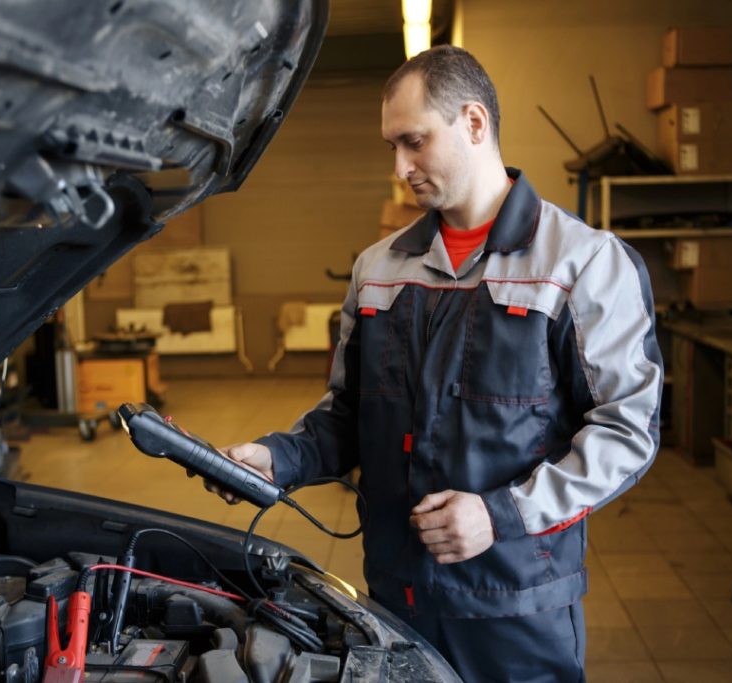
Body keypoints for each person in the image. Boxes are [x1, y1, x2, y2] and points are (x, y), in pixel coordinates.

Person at [210, 45, 663, 682]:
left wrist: (503, 515)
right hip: (397, 598)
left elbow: (628, 430)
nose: (400, 167)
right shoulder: (378, 270)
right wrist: (276, 459)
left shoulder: (583, 264)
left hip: (515, 609)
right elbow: (347, 416)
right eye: (392, 146)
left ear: (475, 123)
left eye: (414, 142)